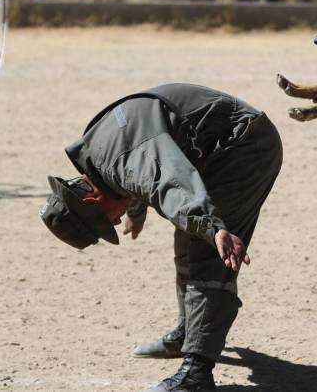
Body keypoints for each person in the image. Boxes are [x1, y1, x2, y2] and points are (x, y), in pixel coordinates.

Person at [40, 83, 283, 392]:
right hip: (221, 146)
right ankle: (187, 333)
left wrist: (214, 227)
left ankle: (196, 373)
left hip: (244, 145)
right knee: (188, 234)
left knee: (208, 253)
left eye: (107, 221)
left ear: (91, 201)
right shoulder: (99, 153)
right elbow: (141, 168)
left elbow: (165, 177)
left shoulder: (126, 163)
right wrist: (137, 213)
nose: (114, 222)